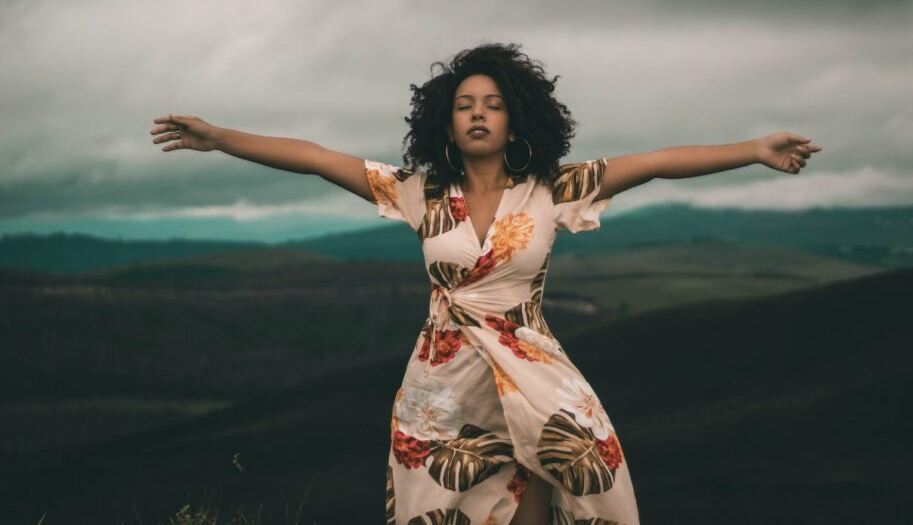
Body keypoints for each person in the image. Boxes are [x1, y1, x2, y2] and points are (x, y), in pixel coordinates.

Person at [150, 42, 821, 525]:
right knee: (443, 505)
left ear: (514, 118)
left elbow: (657, 163)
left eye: (493, 104)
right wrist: (221, 138)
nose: (478, 114)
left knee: (563, 476)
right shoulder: (419, 192)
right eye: (465, 104)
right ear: (445, 119)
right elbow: (320, 160)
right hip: (441, 383)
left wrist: (755, 149)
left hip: (529, 368)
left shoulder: (553, 189)